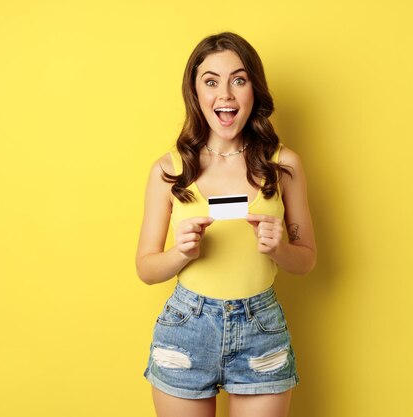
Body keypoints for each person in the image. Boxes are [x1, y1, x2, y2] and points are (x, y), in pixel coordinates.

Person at [136, 32, 316, 417]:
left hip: (261, 329)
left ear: (254, 88)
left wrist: (280, 247)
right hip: (186, 328)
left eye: (239, 79)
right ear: (196, 93)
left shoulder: (284, 165)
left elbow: (306, 261)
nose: (226, 95)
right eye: (211, 81)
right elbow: (146, 269)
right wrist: (180, 253)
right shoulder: (168, 170)